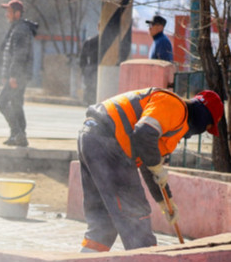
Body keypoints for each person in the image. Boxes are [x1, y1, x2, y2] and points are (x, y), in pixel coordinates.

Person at [78, 87, 222, 252]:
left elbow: (148, 162)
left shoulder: (172, 119)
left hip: (91, 139)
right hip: (110, 143)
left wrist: (165, 201)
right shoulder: (175, 107)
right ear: (204, 115)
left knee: (104, 222)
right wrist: (156, 166)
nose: (203, 131)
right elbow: (143, 133)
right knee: (136, 214)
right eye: (208, 126)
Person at [0, 0, 38, 147]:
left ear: (17, 13)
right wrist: (6, 75)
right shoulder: (16, 28)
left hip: (18, 75)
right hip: (17, 74)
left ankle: (18, 133)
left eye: (9, 11)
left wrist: (13, 76)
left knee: (2, 102)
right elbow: (9, 53)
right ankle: (18, 135)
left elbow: (19, 55)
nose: (6, 14)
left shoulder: (20, 30)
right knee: (15, 104)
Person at [78, 34, 99, 106]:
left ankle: (88, 101)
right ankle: (91, 101)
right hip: (96, 68)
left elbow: (82, 58)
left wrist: (84, 69)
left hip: (90, 67)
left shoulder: (89, 41)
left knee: (89, 86)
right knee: (92, 87)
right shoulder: (108, 41)